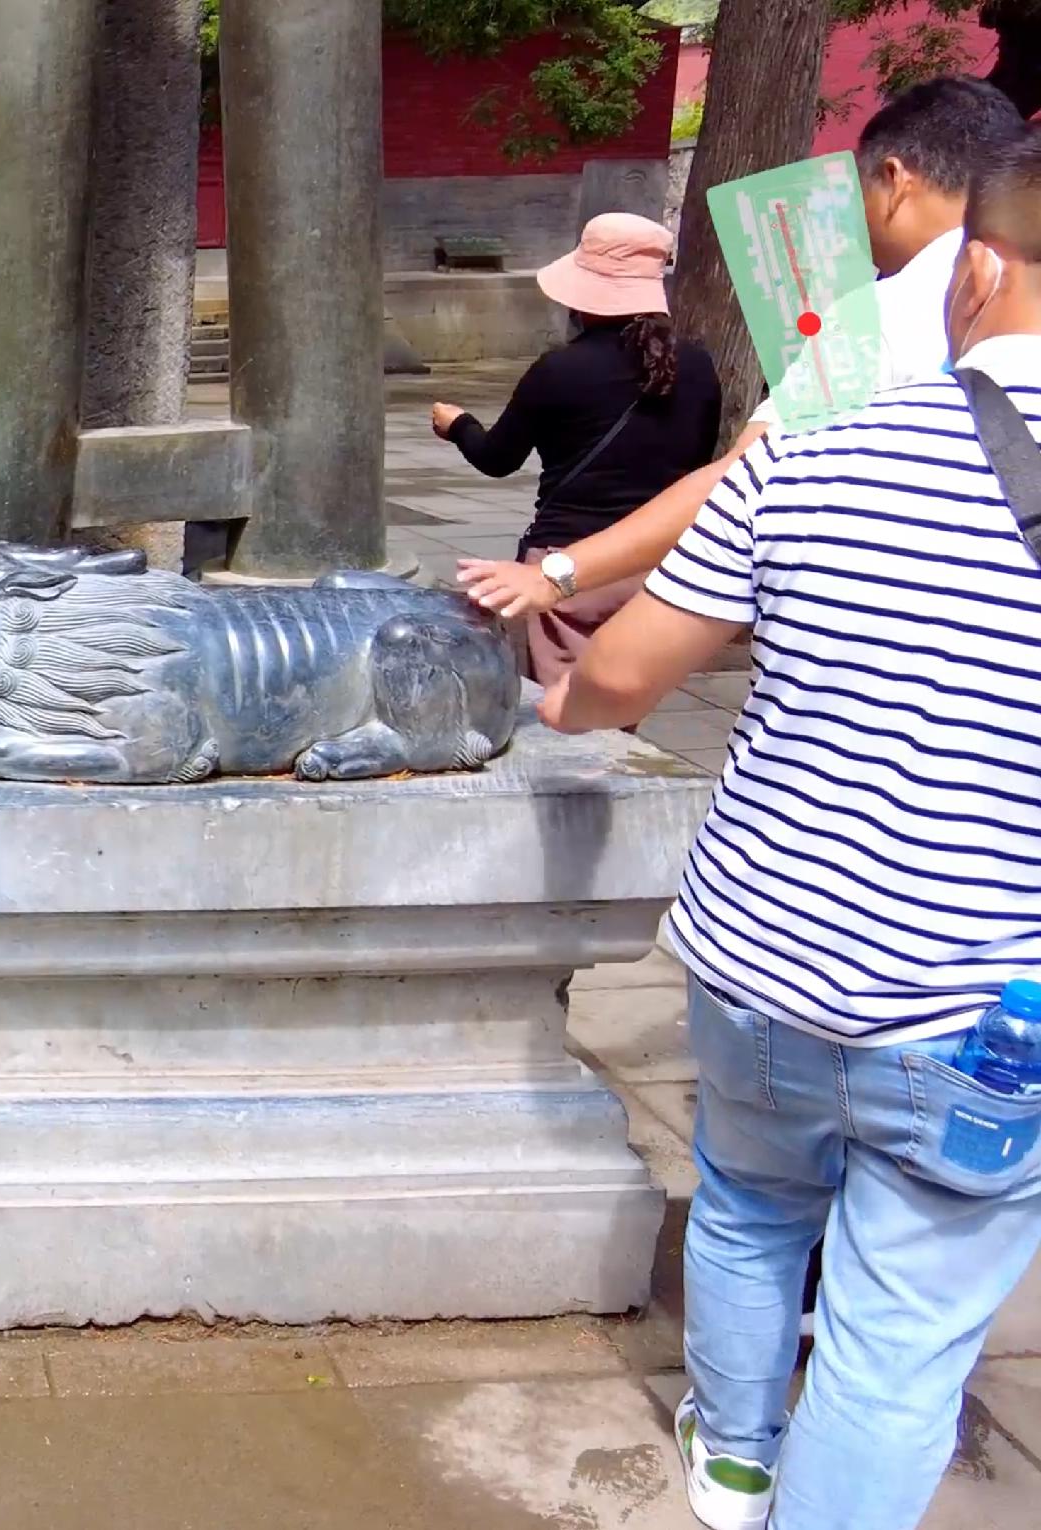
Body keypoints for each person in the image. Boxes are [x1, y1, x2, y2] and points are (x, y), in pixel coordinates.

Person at [538, 133, 1041, 1530]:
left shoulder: (820, 453)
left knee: (752, 1208)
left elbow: (626, 675)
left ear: (978, 269)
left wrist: (560, 682)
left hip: (764, 956)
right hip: (989, 1005)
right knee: (897, 1344)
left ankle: (739, 1458)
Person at [458, 75, 1035, 623]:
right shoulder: (699, 364)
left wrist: (557, 572)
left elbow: (744, 472)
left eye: (859, 196)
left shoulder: (877, 315)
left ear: (895, 180)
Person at [428, 211, 721, 679]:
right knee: (618, 718)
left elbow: (497, 458)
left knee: (558, 721)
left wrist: (458, 423)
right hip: (656, 570)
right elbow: (697, 467)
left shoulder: (559, 370)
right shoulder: (699, 366)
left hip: (568, 571)